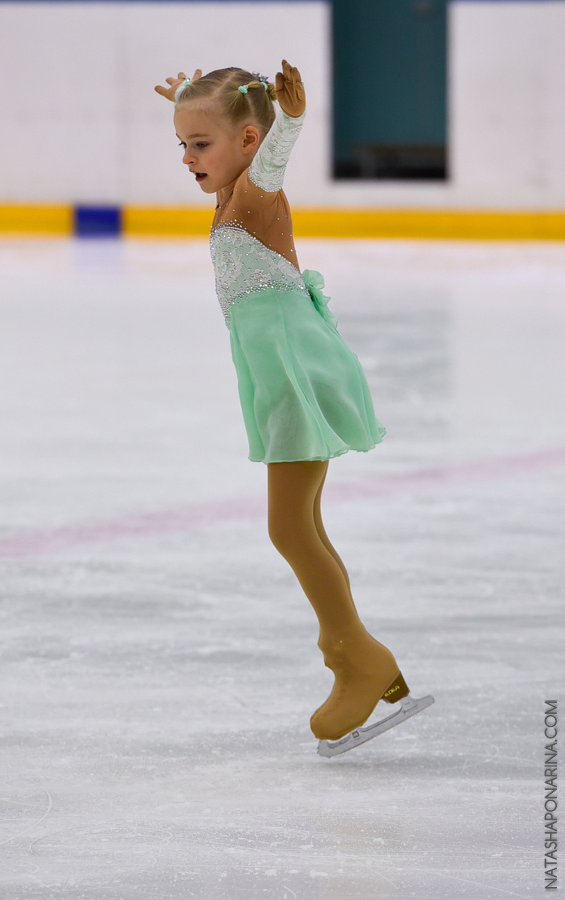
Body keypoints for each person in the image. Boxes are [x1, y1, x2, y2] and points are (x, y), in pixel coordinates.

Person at [155, 61, 432, 753]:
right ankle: (354, 654)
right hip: (276, 372)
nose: (187, 158)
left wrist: (293, 121)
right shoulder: (231, 192)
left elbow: (274, 155)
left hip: (293, 373)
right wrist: (193, 103)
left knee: (289, 528)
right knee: (300, 524)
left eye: (200, 144)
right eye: (182, 144)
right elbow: (239, 138)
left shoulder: (254, 190)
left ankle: (355, 656)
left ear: (248, 141)